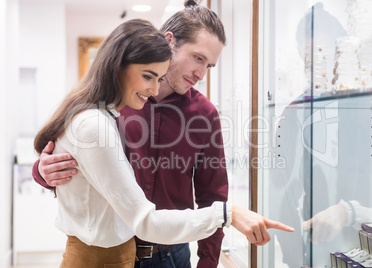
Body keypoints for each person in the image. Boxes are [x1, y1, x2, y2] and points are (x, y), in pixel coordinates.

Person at [32, 1, 288, 267]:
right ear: (170, 41)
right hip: (115, 252)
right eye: (198, 58)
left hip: (171, 255)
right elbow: (81, 162)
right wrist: (44, 171)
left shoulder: (204, 114)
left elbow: (212, 194)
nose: (201, 74)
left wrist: (208, 262)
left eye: (209, 66)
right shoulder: (111, 106)